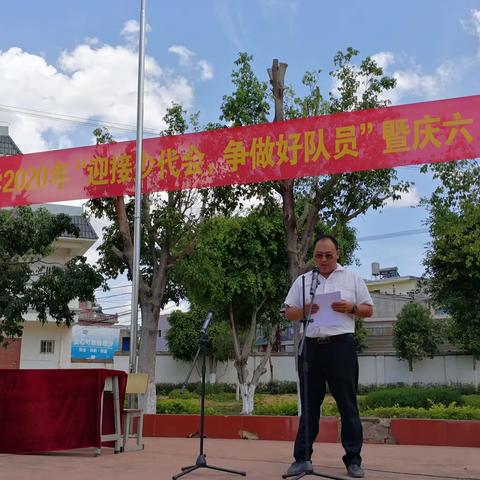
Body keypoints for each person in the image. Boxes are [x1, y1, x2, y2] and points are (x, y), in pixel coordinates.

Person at [283, 234, 373, 479]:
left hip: (340, 347)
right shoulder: (303, 281)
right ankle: (302, 458)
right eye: (318, 255)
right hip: (312, 346)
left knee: (347, 405)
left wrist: (351, 308)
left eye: (328, 255)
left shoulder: (352, 278)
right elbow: (288, 311)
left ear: (338, 255)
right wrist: (303, 311)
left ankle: (353, 460)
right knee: (310, 406)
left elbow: (368, 308)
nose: (323, 260)